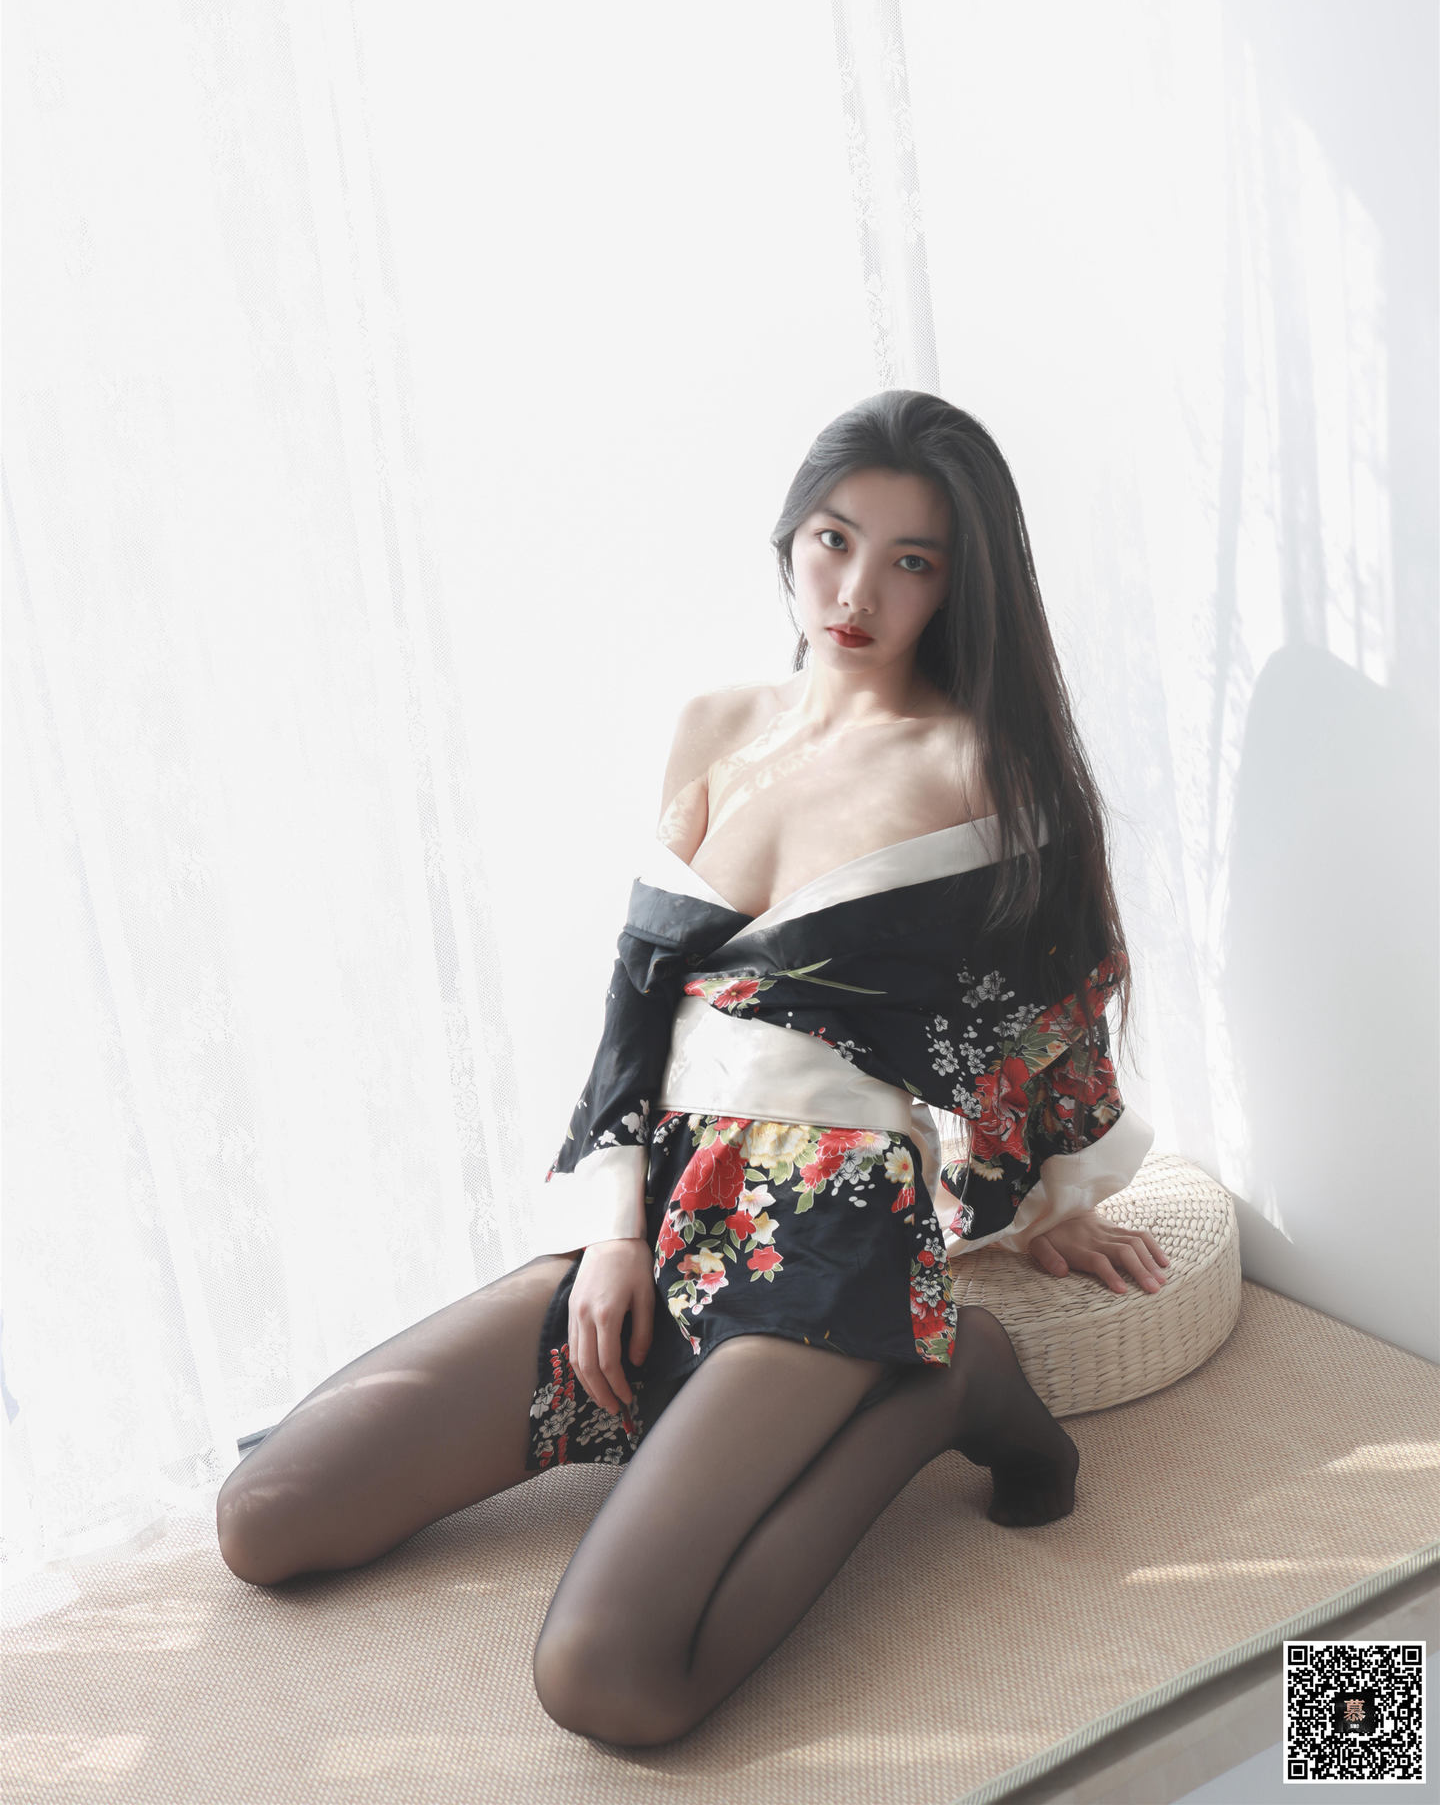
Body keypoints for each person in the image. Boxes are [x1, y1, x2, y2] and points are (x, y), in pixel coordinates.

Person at [215, 389, 1167, 1747]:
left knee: (609, 1679)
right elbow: (635, 1004)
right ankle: (695, 1400)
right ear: (790, 539)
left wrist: (1058, 1198)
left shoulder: (981, 770)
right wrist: (612, 1238)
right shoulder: (717, 727)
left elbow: (1051, 1002)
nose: (858, 592)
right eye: (834, 540)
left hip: (834, 1224)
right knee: (265, 1519)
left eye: (913, 561)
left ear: (962, 586)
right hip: (667, 1199)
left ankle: (953, 1383)